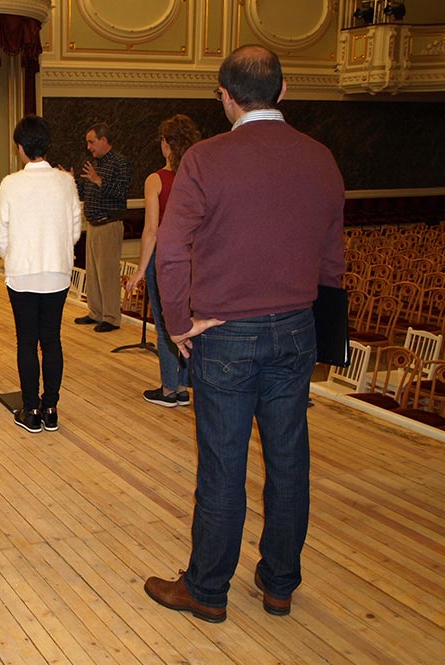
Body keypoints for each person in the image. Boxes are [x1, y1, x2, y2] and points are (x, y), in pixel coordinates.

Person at [145, 45, 345, 623]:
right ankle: (279, 583)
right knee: (289, 462)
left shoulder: (206, 160)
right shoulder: (322, 158)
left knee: (223, 466)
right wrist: (327, 343)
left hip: (226, 336)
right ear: (284, 92)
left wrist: (178, 323)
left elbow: (171, 253)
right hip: (297, 333)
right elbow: (333, 262)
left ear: (224, 97)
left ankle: (207, 590)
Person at [0, 115, 81, 434]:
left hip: (22, 273)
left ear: (20, 147)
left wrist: (13, 257)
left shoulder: (11, 183)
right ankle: (52, 407)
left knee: (27, 341)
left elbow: (1, 232)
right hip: (56, 271)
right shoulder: (65, 182)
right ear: (47, 144)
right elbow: (74, 230)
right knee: (52, 339)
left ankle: (31, 410)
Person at [124, 114, 201, 408]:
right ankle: (185, 384)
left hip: (167, 258)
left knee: (166, 322)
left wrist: (140, 270)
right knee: (190, 319)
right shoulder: (199, 176)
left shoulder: (156, 179)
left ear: (167, 144)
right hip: (196, 258)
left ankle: (170, 389)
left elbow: (152, 231)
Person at [72, 123, 132, 333]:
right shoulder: (93, 164)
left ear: (104, 140)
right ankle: (95, 312)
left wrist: (99, 180)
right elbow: (86, 190)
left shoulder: (120, 163)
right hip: (93, 224)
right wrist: (72, 181)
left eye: (92, 141)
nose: (89, 147)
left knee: (108, 273)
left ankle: (111, 318)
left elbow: (122, 192)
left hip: (109, 224)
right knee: (95, 272)